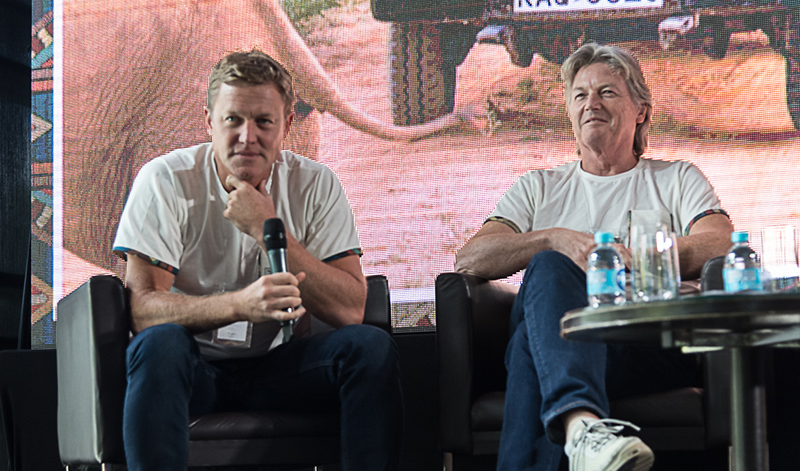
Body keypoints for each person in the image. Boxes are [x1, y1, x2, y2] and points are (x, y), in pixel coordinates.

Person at [112, 50, 403, 471]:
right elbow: (142, 310)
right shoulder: (165, 179)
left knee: (369, 347)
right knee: (159, 344)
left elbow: (350, 309)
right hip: (193, 370)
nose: (247, 137)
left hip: (280, 369)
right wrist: (239, 305)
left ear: (287, 125)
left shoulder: (317, 183)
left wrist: (268, 228)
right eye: (233, 119)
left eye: (264, 121)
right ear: (208, 121)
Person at [455, 43, 733, 471]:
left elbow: (720, 244)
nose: (591, 104)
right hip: (572, 342)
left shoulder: (678, 178)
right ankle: (583, 427)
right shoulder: (538, 187)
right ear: (569, 110)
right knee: (550, 265)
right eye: (580, 94)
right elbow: (471, 258)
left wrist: (635, 256)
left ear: (641, 111)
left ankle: (580, 426)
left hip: (643, 346)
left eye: (607, 92)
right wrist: (552, 240)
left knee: (532, 346)